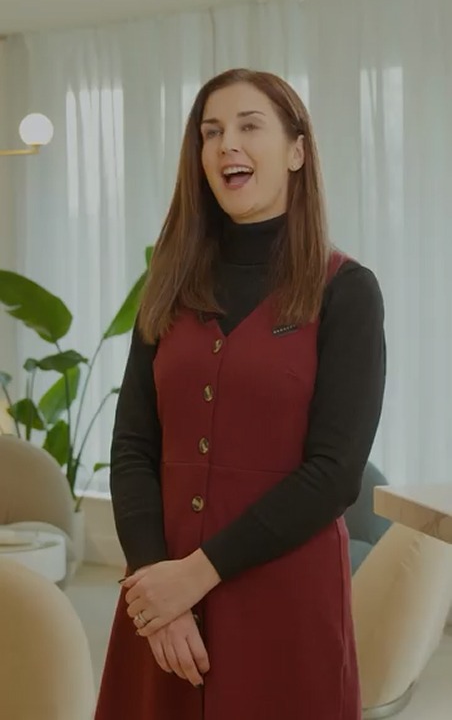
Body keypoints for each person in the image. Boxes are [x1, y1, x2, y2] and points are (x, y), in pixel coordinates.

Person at [95, 68, 386, 720]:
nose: (227, 143)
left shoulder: (347, 291)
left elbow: (335, 473)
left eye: (249, 126)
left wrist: (194, 575)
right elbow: (133, 446)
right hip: (160, 601)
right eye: (211, 131)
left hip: (286, 601)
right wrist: (155, 589)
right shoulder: (166, 285)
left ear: (297, 151)